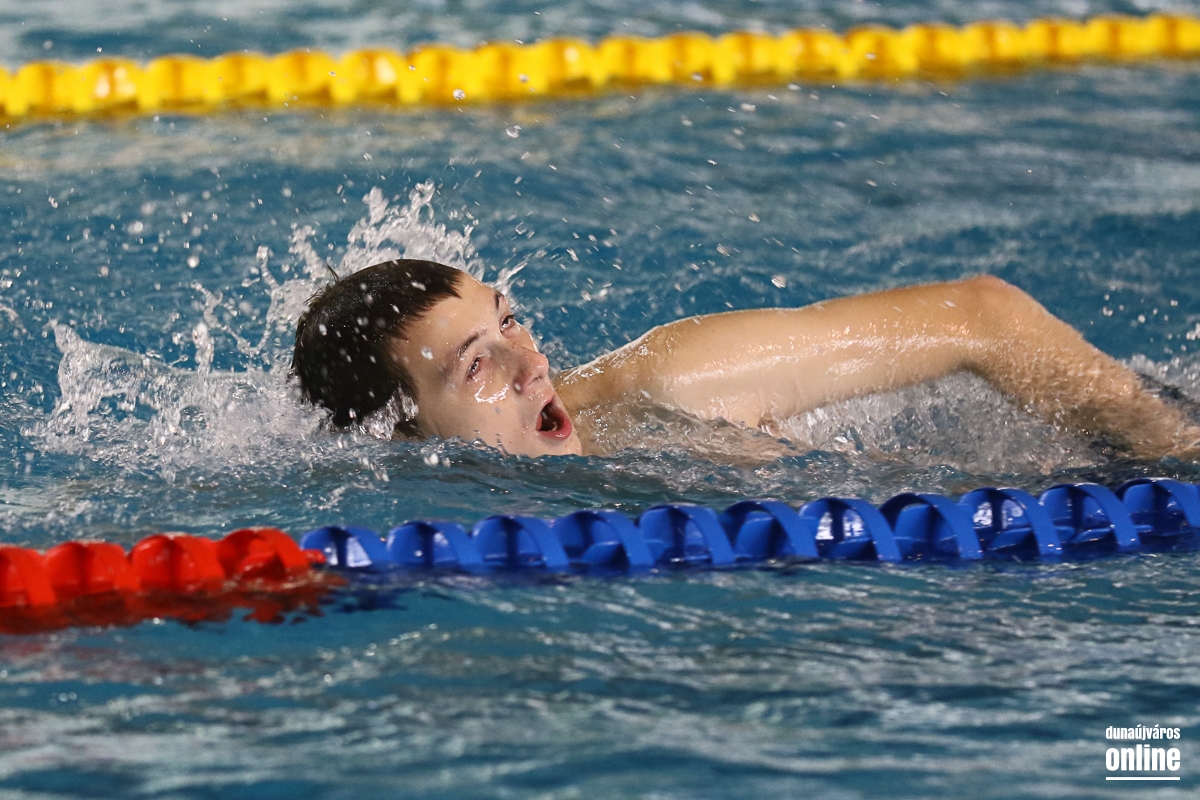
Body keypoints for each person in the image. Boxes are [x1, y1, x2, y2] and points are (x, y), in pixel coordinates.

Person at [291, 258, 1199, 459]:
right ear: (401, 432)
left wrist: (1171, 448)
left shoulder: (670, 383)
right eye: (476, 366)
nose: (532, 363)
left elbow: (985, 316)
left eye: (511, 321)